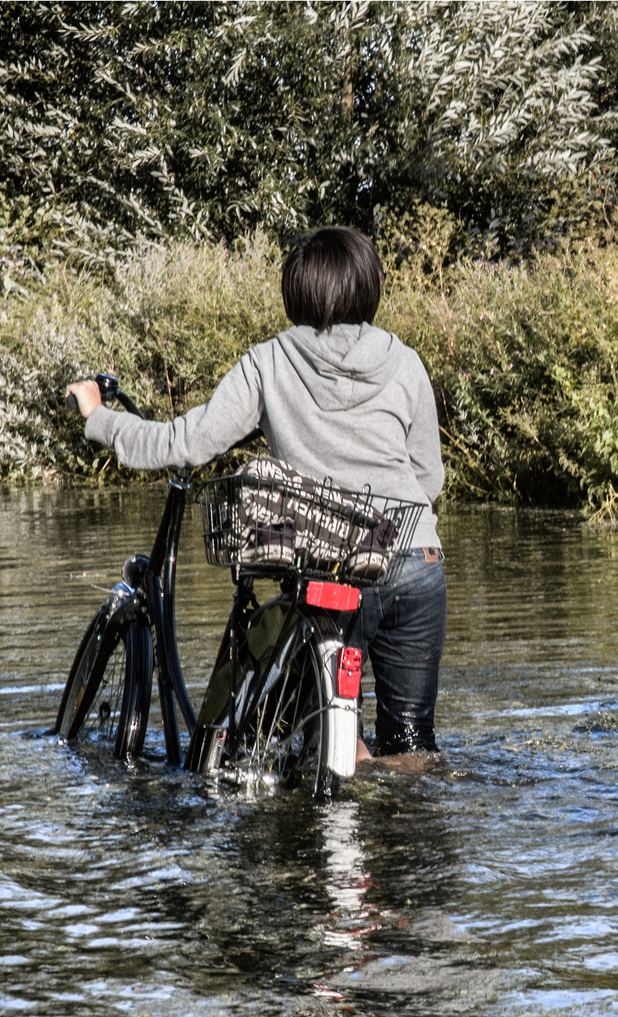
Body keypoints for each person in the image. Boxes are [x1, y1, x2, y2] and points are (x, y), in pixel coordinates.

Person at [64, 226, 447, 763]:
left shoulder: (268, 362)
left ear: (296, 292)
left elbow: (187, 442)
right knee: (411, 744)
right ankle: (413, 806)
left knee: (332, 742)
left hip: (339, 569)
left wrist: (100, 418)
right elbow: (428, 481)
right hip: (415, 562)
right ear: (370, 287)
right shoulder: (405, 362)